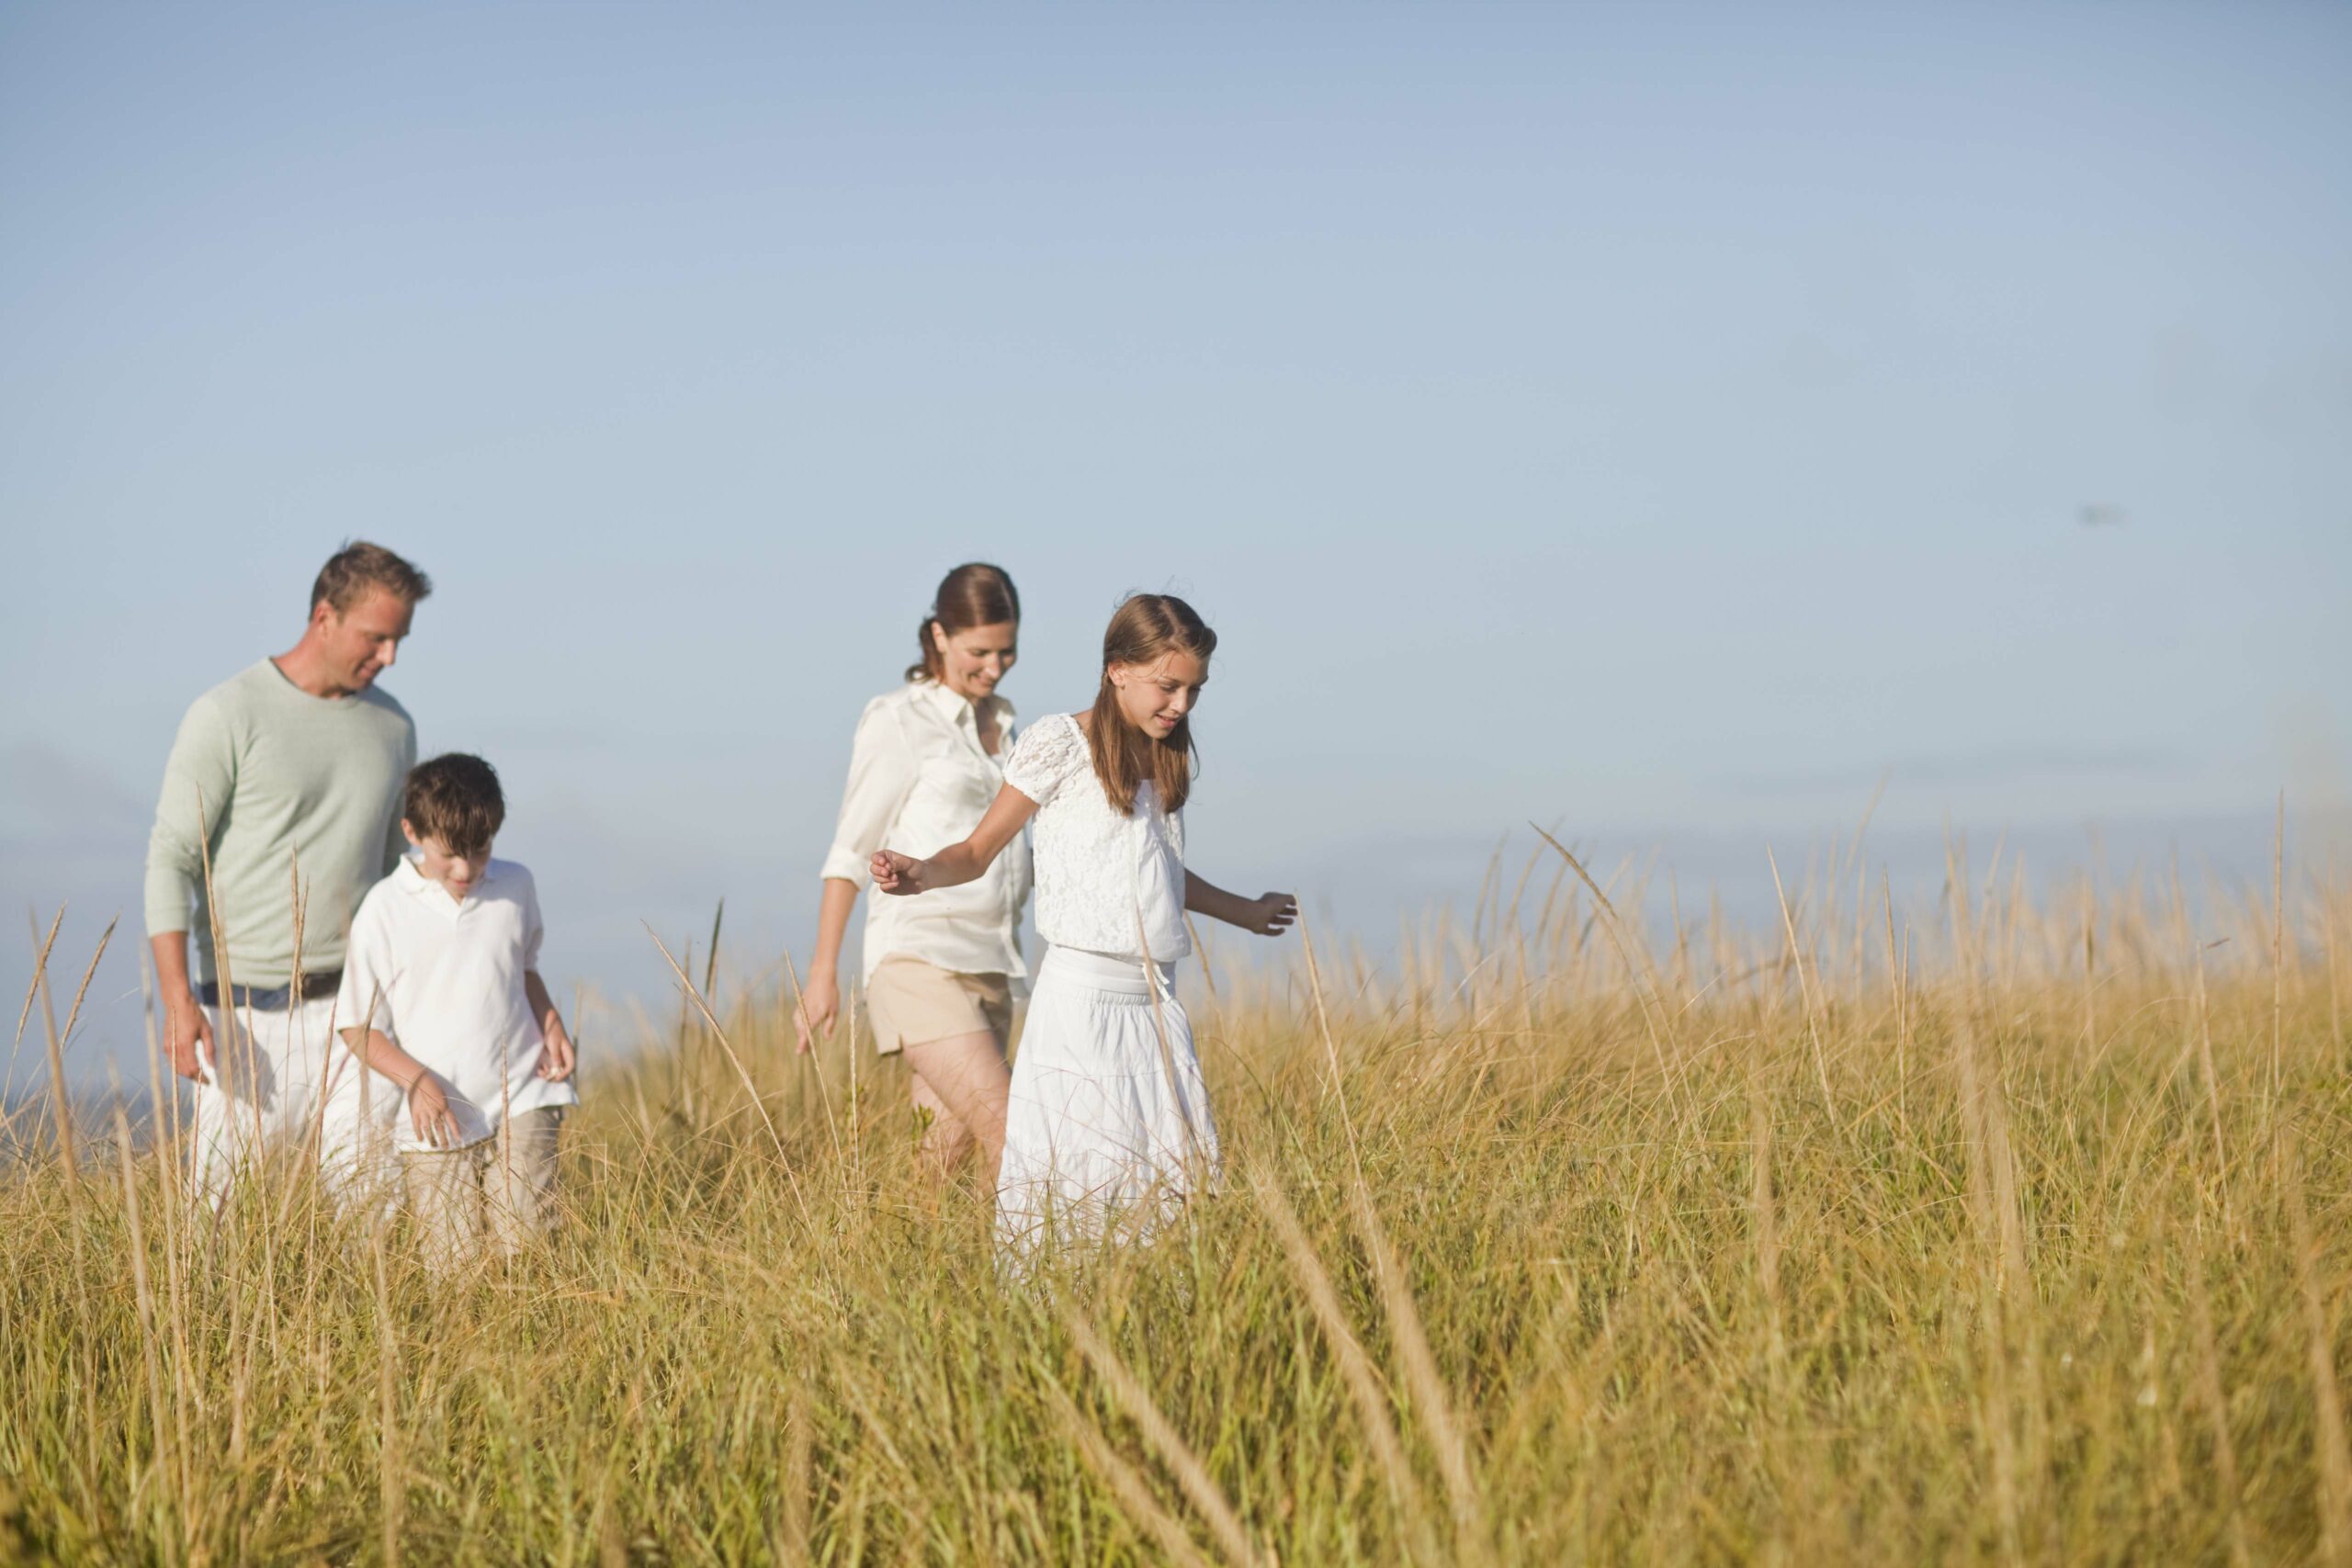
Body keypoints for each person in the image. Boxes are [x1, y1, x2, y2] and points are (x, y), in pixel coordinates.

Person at [872, 592, 1296, 1250]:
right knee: (1078, 1190)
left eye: (1193, 690)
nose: (1181, 705)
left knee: (1170, 1190)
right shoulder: (1058, 744)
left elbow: (1160, 876)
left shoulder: (1165, 759)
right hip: (1080, 1007)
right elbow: (978, 851)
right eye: (1168, 685)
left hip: (1156, 1005)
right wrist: (921, 871)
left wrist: (1245, 911)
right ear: (1117, 667)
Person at [144, 541, 430, 1203]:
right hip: (244, 1017)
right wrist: (179, 998)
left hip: (357, 1013)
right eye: (376, 636)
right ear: (324, 616)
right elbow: (171, 858)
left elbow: (397, 875)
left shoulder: (395, 727)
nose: (389, 656)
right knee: (211, 1221)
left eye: (399, 640)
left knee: (373, 1217)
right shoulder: (226, 713)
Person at [798, 563, 1032, 1179]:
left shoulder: (1010, 728)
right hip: (917, 958)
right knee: (1015, 1131)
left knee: (942, 1168)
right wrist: (823, 973)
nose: (994, 665)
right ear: (938, 636)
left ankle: (927, 1272)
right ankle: (1028, 1277)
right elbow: (850, 851)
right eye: (978, 651)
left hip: (992, 964)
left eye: (1006, 651)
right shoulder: (898, 720)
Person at [336, 754, 578, 1269]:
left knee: (528, 1243)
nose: (466, 869)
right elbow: (357, 1026)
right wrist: (417, 1081)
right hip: (438, 1113)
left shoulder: (516, 886)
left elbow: (524, 968)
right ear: (411, 832)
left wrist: (550, 1021)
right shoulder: (383, 908)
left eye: (481, 850)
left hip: (523, 1092)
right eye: (450, 854)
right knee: (455, 1269)